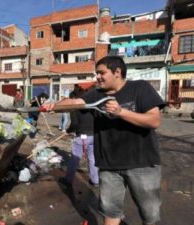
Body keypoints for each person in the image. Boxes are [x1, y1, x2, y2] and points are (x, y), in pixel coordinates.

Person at [43, 56, 165, 225]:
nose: (97, 77)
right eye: (96, 73)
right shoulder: (96, 94)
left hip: (142, 164)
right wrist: (55, 105)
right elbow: (77, 102)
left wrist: (121, 112)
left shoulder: (140, 88)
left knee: (149, 215)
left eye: (101, 73)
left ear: (117, 72)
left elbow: (154, 121)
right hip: (109, 165)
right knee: (110, 212)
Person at [62, 85, 98, 187]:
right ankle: (95, 181)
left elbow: (74, 124)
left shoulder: (75, 107)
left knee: (75, 158)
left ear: (74, 98)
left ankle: (68, 180)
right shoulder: (91, 104)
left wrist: (68, 131)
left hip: (82, 136)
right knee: (92, 158)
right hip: (93, 135)